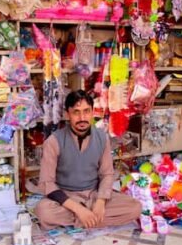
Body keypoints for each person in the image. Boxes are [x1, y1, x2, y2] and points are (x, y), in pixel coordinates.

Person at [34, 90, 142, 230]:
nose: (82, 118)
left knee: (135, 208)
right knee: (44, 212)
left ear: (92, 113)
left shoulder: (102, 137)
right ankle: (90, 219)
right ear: (68, 114)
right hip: (67, 198)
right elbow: (46, 183)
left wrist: (100, 202)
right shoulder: (54, 141)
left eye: (86, 111)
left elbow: (107, 174)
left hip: (93, 194)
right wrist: (79, 210)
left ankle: (84, 220)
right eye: (76, 112)